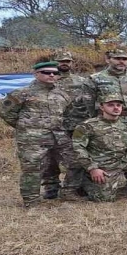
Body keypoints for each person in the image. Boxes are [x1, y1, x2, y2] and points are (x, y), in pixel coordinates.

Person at [0, 61, 73, 207]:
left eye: (55, 73)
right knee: (32, 168)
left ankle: (68, 193)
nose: (52, 75)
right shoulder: (22, 93)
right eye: (46, 72)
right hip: (32, 139)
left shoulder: (63, 94)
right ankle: (31, 200)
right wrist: (26, 127)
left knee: (74, 163)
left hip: (59, 137)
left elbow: (69, 114)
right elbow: (6, 113)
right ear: (36, 74)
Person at [52, 50, 95, 200]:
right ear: (55, 62)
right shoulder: (50, 80)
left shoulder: (81, 81)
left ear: (71, 63)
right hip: (55, 126)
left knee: (79, 157)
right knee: (51, 159)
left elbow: (89, 101)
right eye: (61, 61)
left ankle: (80, 187)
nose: (64, 63)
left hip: (76, 125)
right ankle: (51, 188)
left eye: (67, 61)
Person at [90, 50, 127, 120]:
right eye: (117, 59)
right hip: (106, 121)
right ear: (108, 60)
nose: (121, 61)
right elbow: (88, 104)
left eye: (124, 59)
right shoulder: (95, 79)